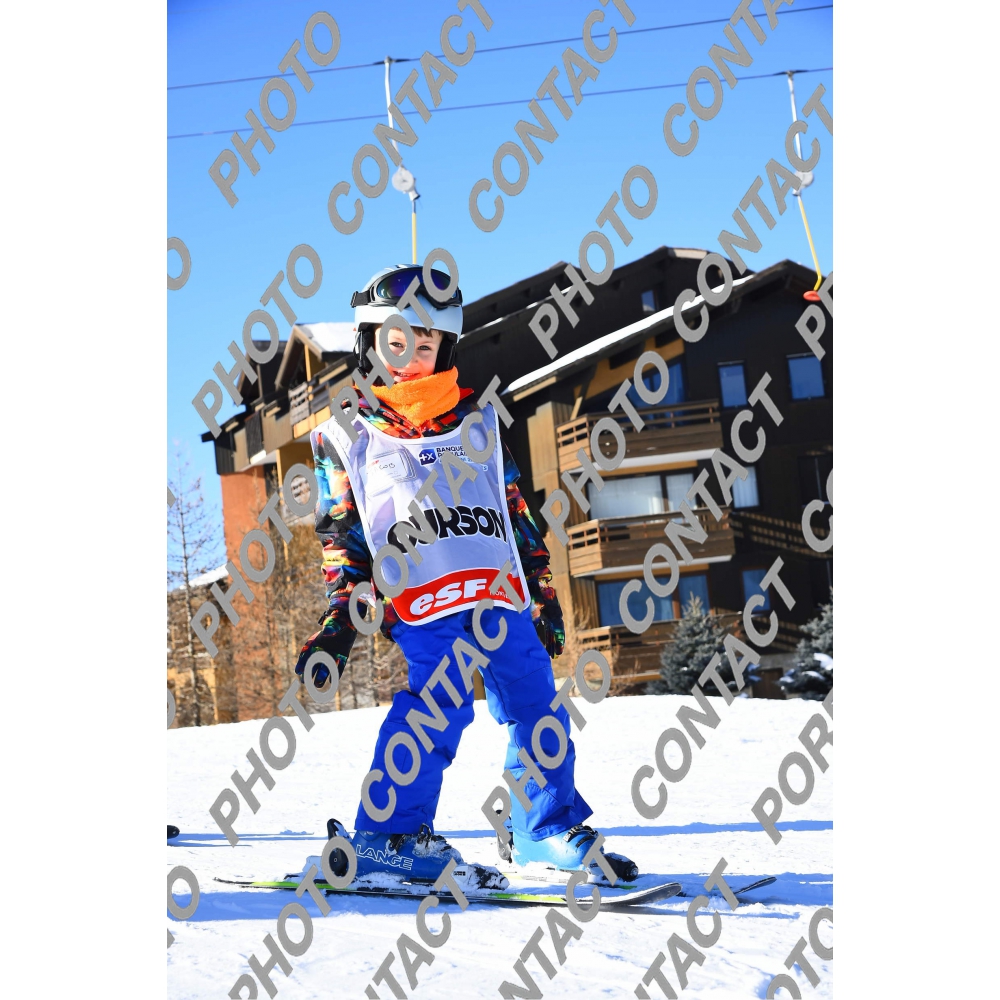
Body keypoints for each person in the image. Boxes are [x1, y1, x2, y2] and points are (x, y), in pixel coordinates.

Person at [294, 264, 636, 889]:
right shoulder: (347, 436)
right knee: (438, 708)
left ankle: (542, 827)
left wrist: (543, 593)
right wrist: (338, 623)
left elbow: (514, 511)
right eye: (397, 342)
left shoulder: (479, 423)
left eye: (426, 345)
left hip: (497, 593)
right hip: (421, 598)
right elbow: (342, 538)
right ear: (371, 345)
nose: (411, 357)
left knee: (538, 705)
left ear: (445, 348)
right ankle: (388, 836)